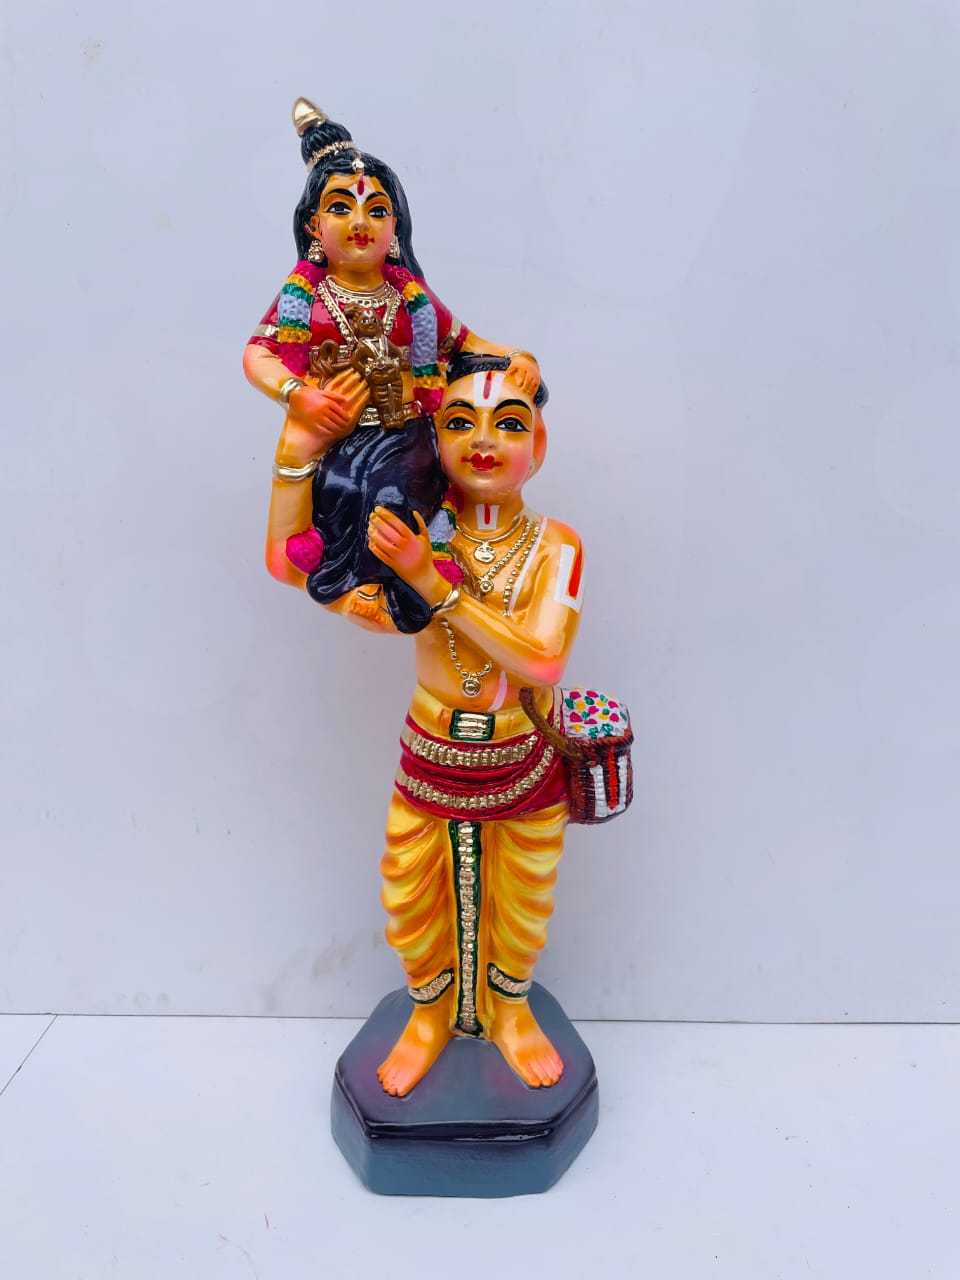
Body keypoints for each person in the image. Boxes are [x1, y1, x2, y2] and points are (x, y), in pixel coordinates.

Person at [363, 351, 586, 1096]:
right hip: (432, 749)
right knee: (411, 891)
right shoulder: (415, 531)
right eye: (460, 422)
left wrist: (434, 586)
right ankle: (429, 1015)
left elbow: (544, 661)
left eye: (509, 424)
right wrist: (299, 454)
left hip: (523, 751)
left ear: (538, 445)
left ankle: (511, 1011)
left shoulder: (557, 546)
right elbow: (292, 564)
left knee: (523, 896)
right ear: (434, 440)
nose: (484, 439)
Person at [245, 99, 538, 632]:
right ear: (314, 225)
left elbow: (466, 342)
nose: (361, 222)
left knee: (395, 493)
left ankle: (409, 586)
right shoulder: (303, 300)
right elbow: (258, 355)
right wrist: (297, 395)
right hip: (338, 436)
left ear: (395, 227)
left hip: (409, 432)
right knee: (339, 490)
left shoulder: (411, 299)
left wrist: (519, 358)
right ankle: (358, 583)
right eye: (341, 208)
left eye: (377, 210)